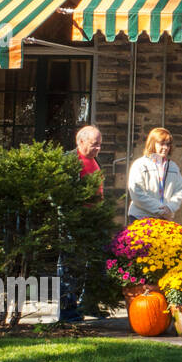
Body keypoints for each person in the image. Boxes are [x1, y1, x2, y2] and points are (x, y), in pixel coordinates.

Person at [60, 124, 105, 322]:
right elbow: (61, 193)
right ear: (80, 142)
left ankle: (89, 304)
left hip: (94, 221)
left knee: (95, 263)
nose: (98, 149)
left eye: (100, 145)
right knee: (69, 266)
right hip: (74, 221)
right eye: (94, 144)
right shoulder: (70, 161)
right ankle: (68, 310)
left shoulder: (96, 162)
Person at [127, 127, 182, 222]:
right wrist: (160, 209)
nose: (165, 148)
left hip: (164, 219)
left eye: (168, 144)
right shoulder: (140, 164)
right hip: (140, 217)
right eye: (162, 144)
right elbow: (136, 192)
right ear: (152, 143)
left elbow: (180, 190)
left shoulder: (173, 167)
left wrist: (170, 208)